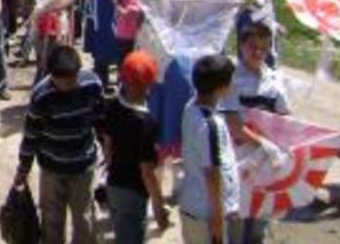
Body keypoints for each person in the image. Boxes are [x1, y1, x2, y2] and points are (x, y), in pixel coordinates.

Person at [14, 45, 105, 244]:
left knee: (84, 221)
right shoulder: (41, 96)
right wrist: (23, 168)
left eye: (72, 80)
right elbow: (31, 136)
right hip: (52, 170)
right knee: (52, 221)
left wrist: (108, 148)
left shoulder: (92, 84)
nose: (69, 86)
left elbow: (100, 119)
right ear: (52, 76)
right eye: (64, 82)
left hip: (83, 167)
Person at [221, 23, 290, 244]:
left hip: (266, 164)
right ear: (241, 46)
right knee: (237, 224)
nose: (258, 52)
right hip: (238, 161)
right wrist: (264, 143)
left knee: (259, 222)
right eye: (252, 46)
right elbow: (233, 124)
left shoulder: (274, 80)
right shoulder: (231, 79)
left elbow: (287, 118)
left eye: (264, 47)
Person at [99, 50, 170, 244]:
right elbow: (147, 170)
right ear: (149, 84)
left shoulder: (112, 107)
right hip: (133, 192)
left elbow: (107, 146)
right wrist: (158, 207)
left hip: (113, 185)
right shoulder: (147, 123)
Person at [180, 55, 241, 244]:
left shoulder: (190, 107)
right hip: (206, 213)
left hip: (193, 205)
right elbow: (212, 173)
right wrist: (218, 218)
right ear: (222, 87)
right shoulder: (211, 125)